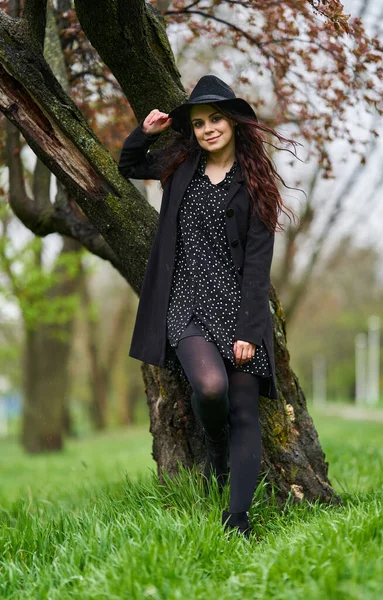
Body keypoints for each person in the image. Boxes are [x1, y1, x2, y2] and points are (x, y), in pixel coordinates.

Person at [118, 75, 298, 539]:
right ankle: (213, 444)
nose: (208, 129)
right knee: (212, 387)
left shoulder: (256, 186)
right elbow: (129, 164)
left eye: (216, 118)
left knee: (244, 407)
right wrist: (146, 131)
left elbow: (258, 268)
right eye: (198, 123)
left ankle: (238, 517)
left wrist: (249, 331)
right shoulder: (180, 167)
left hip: (237, 310)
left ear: (234, 122)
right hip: (187, 304)